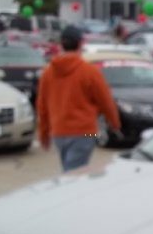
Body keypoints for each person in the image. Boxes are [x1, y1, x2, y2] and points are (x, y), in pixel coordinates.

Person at [35, 25, 121, 172]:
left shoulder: (48, 73)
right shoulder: (89, 71)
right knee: (74, 173)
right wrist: (115, 123)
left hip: (59, 132)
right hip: (85, 132)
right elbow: (106, 101)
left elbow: (42, 106)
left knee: (69, 168)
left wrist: (43, 133)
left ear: (61, 44)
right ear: (81, 43)